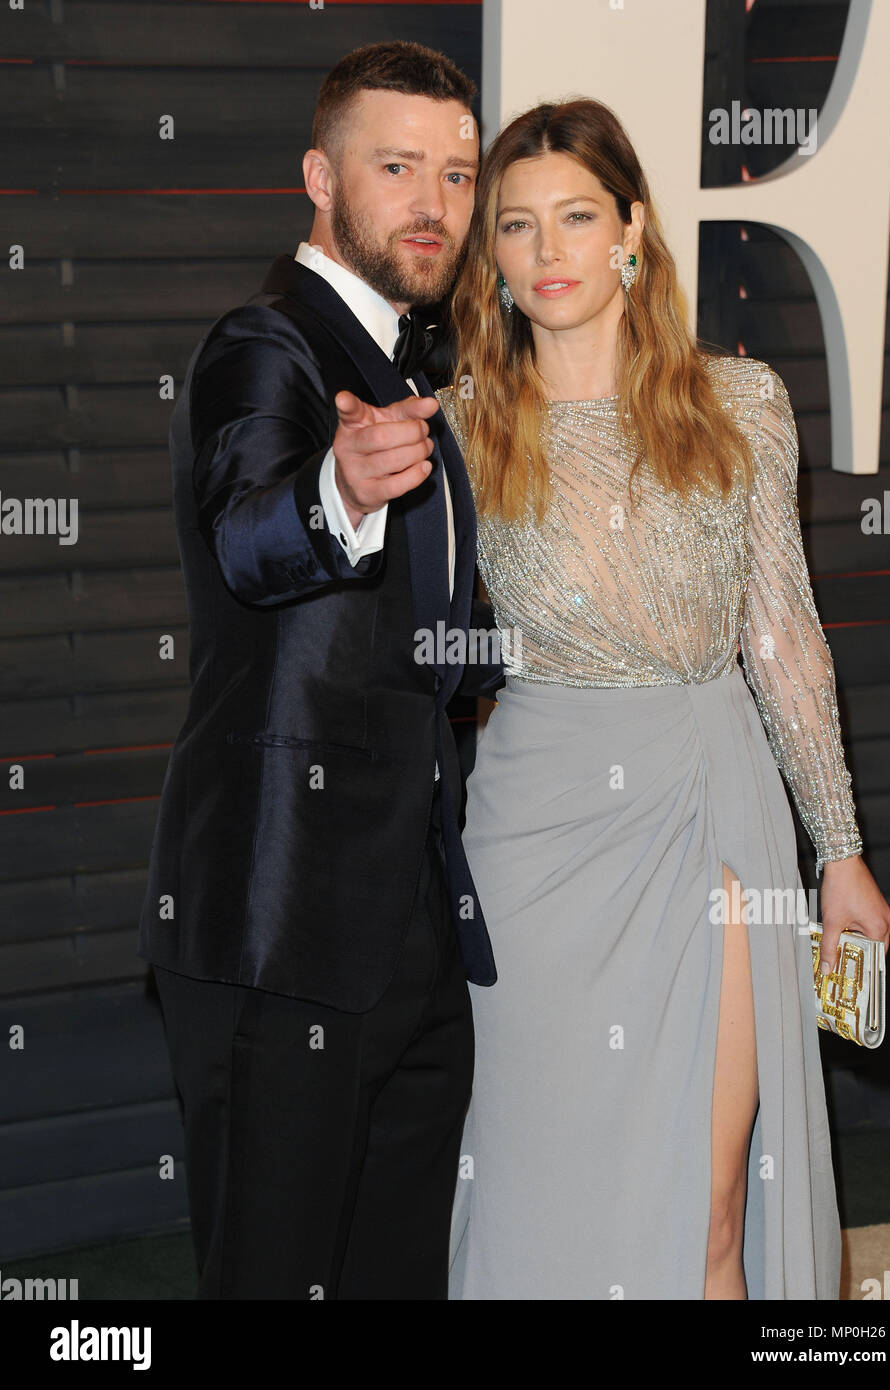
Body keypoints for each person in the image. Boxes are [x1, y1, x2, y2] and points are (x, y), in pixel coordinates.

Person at [437, 97, 890, 1301]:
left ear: (633, 229)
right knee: (548, 1198)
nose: (548, 252)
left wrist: (839, 848)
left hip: (715, 815)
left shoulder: (740, 406)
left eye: (577, 217)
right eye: (519, 226)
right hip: (536, 847)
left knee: (709, 1208)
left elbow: (782, 638)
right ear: (493, 253)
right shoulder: (459, 432)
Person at [137, 40, 504, 1300]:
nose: (433, 204)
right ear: (317, 175)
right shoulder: (266, 345)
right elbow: (249, 533)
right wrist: (336, 491)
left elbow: (432, 641)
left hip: (405, 919)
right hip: (274, 919)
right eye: (396, 167)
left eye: (457, 174)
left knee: (395, 1276)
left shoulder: (413, 364)